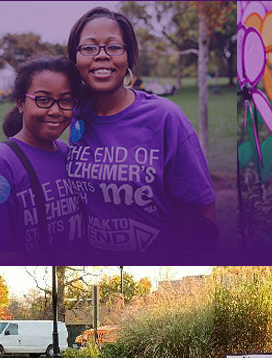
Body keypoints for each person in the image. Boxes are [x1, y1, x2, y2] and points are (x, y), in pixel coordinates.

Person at [64, 6, 217, 259]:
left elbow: (203, 208)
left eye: (113, 47)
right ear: (75, 59)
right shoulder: (74, 115)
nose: (101, 55)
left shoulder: (164, 117)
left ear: (128, 57)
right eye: (89, 47)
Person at [0, 57, 84, 258]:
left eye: (65, 101)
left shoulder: (67, 154)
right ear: (21, 103)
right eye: (43, 100)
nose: (55, 110)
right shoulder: (0, 163)